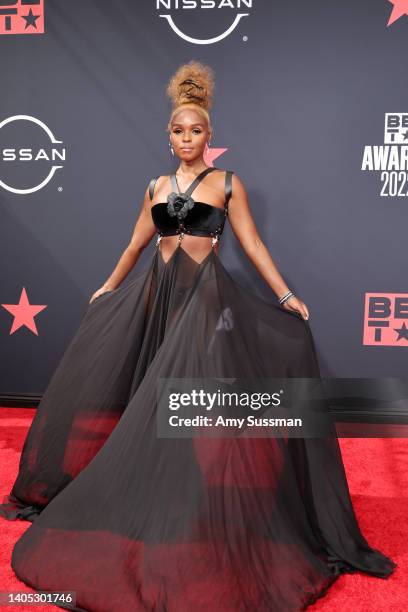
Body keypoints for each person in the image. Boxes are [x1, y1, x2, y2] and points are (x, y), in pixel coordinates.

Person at [0, 61, 396, 611]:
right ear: (169, 135)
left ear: (211, 135)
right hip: (157, 298)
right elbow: (135, 245)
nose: (187, 138)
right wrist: (108, 286)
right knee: (149, 398)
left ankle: (193, 505)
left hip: (205, 303)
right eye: (178, 130)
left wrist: (284, 296)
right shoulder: (156, 187)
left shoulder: (228, 185)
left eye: (197, 130)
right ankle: (151, 494)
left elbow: (253, 246)